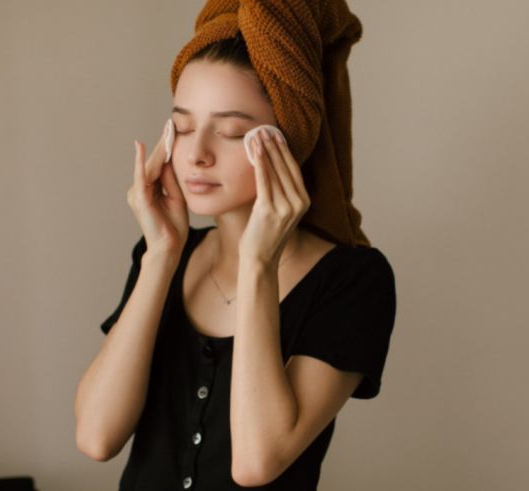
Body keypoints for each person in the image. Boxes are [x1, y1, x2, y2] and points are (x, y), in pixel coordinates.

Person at [73, 2, 396, 489]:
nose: (197, 154)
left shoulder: (353, 280)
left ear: (288, 140)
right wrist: (161, 255)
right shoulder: (162, 255)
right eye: (181, 127)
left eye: (231, 132)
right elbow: (97, 437)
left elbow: (255, 463)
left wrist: (258, 262)